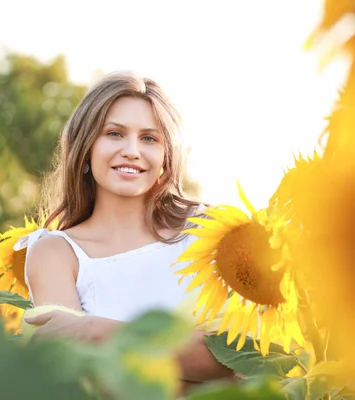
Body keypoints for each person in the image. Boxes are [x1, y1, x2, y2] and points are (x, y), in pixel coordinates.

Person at [17, 72, 234, 392]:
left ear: (166, 156)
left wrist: (94, 330)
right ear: (86, 147)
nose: (132, 150)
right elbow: (82, 381)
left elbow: (237, 361)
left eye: (149, 138)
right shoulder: (55, 253)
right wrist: (189, 361)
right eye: (115, 133)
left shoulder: (207, 230)